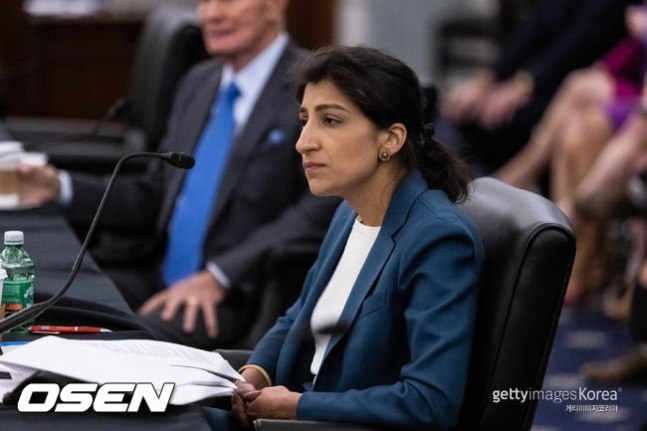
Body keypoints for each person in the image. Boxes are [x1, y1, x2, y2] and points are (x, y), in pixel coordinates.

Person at [17, 0, 340, 350]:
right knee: (29, 302)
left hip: (235, 295)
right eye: (204, 1)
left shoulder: (314, 87)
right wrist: (59, 186)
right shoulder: (198, 81)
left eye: (228, 1)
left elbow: (321, 208)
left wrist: (221, 275)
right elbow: (154, 194)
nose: (212, 14)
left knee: (113, 349)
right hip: (153, 272)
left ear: (275, 5)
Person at [202, 45, 484, 431]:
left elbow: (430, 401)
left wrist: (298, 407)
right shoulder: (348, 210)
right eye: (304, 121)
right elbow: (300, 315)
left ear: (391, 139)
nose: (304, 142)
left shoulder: (438, 238)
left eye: (330, 121)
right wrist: (257, 372)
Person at [438, 0, 640, 176]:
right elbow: (537, 23)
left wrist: (525, 84)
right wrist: (488, 78)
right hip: (551, 73)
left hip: (569, 75)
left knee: (511, 122)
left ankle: (519, 187)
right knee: (459, 111)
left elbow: (583, 39)